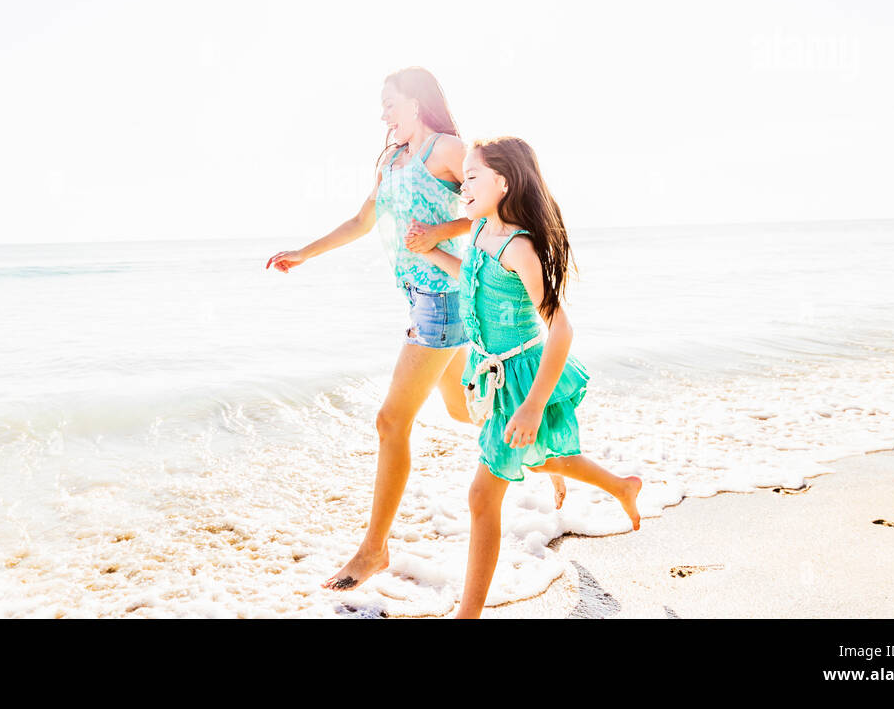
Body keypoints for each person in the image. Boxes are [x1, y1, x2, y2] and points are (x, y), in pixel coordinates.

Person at [265, 67, 563, 592]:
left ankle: (373, 550)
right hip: (420, 300)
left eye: (389, 103)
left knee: (389, 421)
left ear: (417, 103)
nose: (383, 115)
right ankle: (541, 447)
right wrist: (303, 254)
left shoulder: (447, 150)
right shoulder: (393, 160)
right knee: (457, 409)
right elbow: (362, 221)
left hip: (443, 300)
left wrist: (437, 236)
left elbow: (486, 209)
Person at [419, 135, 642, 619]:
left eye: (472, 176)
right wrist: (432, 251)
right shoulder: (481, 229)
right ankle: (622, 487)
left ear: (503, 181)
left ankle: (468, 614)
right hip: (491, 374)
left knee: (483, 494)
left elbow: (561, 327)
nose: (464, 185)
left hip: (522, 376)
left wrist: (534, 403)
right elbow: (474, 276)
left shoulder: (520, 246)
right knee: (541, 461)